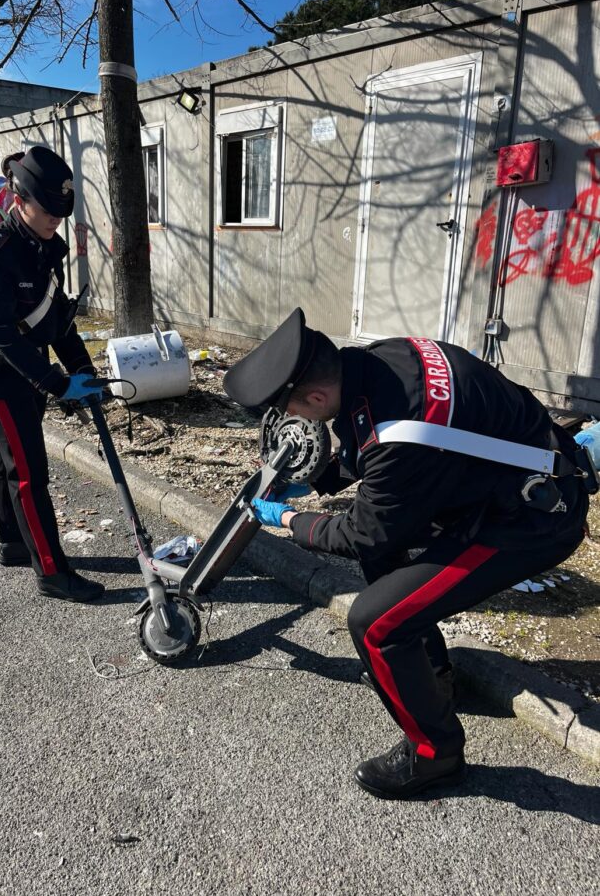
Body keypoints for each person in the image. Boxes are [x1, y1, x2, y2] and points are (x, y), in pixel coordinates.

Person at [223, 308, 590, 799]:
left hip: (532, 518)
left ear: (315, 396)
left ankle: (434, 757)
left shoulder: (399, 433)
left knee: (376, 623)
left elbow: (363, 532)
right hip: (495, 480)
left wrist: (288, 521)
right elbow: (373, 447)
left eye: (292, 413)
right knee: (387, 566)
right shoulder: (381, 360)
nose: (295, 423)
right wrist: (317, 474)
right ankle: (433, 680)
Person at [0, 146, 105, 603]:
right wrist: (58, 384)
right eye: (48, 211)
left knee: (10, 459)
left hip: (29, 370)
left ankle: (13, 544)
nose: (55, 221)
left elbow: (56, 319)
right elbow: (3, 333)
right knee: (29, 472)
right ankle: (52, 572)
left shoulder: (45, 247)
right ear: (19, 200)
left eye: (61, 214)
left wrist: (83, 369)